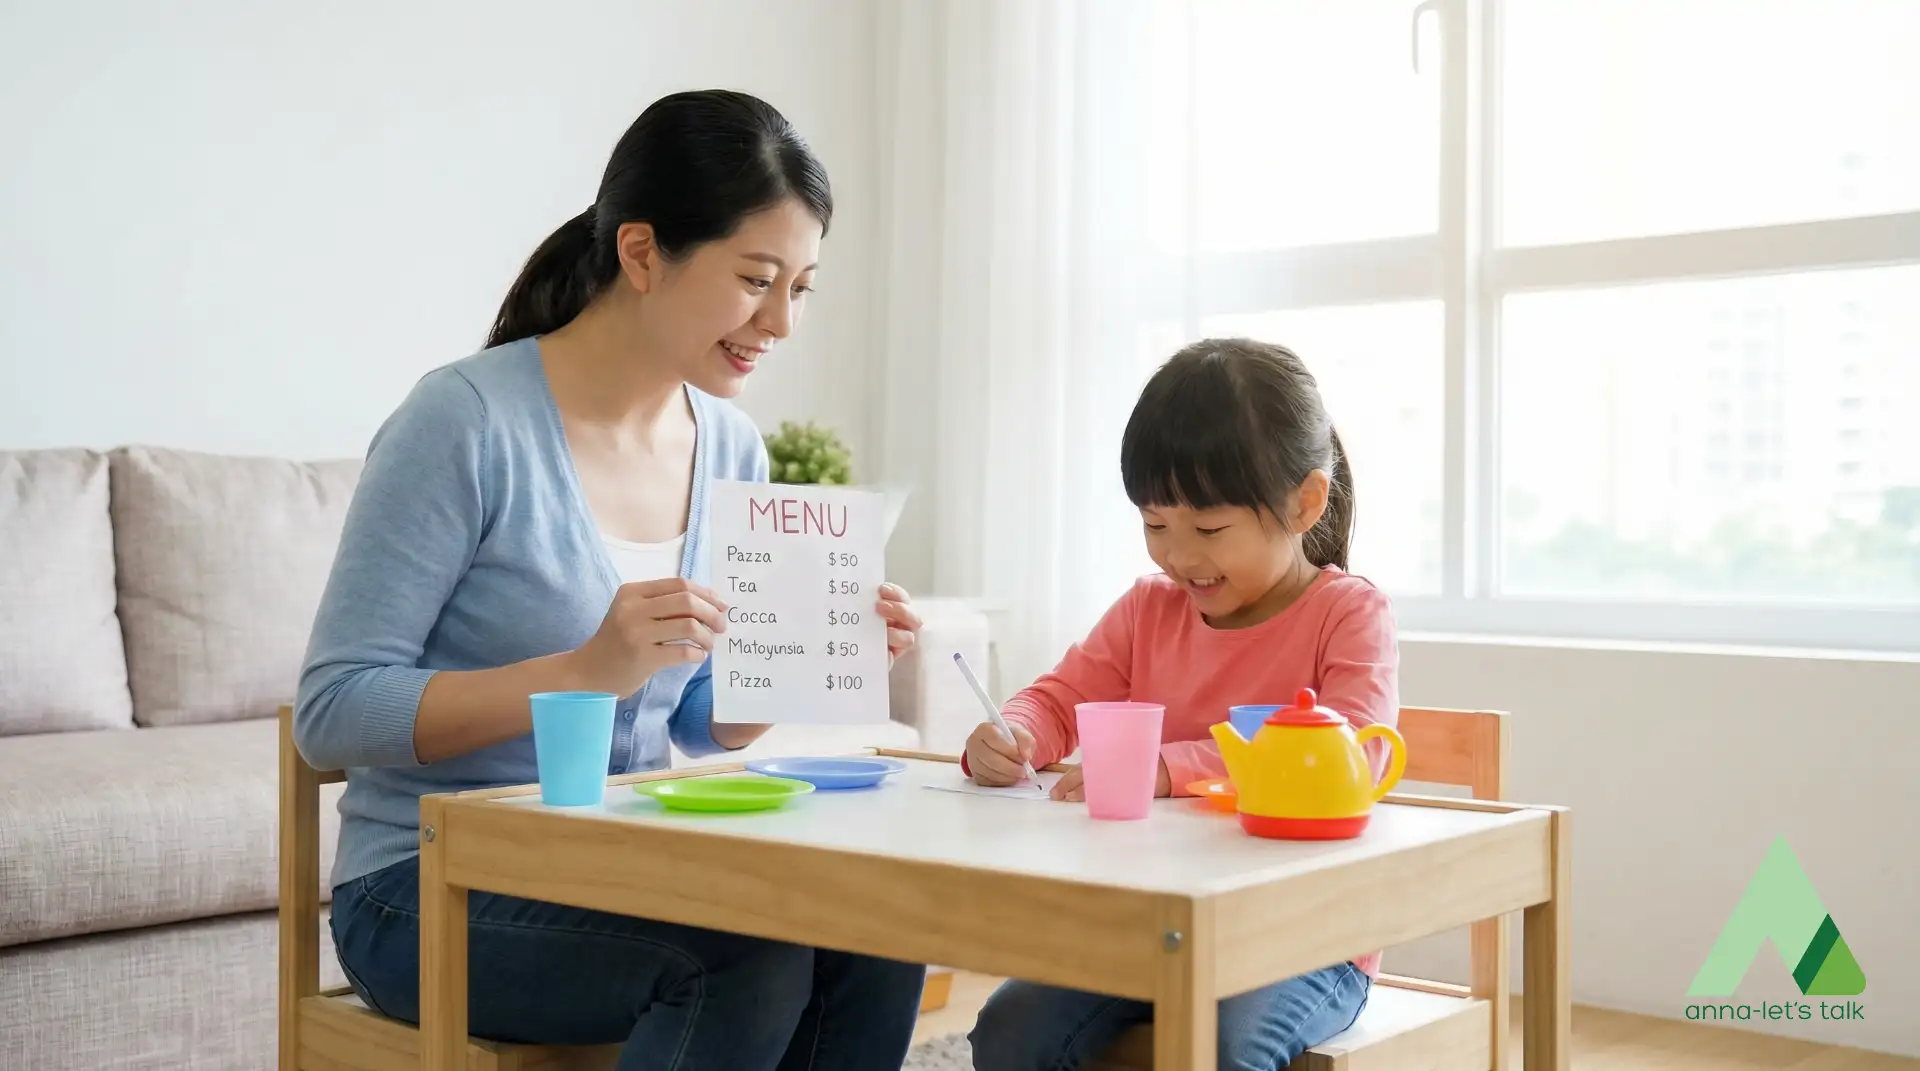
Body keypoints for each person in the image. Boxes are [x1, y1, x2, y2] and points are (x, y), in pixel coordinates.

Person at [294, 89, 928, 1071]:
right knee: (743, 962)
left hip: (627, 862)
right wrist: (586, 669)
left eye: (800, 288)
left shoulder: (731, 446)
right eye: (756, 278)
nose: (780, 322)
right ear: (641, 253)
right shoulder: (463, 424)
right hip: (426, 889)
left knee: (875, 934)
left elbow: (693, 721)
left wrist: (809, 657)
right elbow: (332, 713)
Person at [959, 338, 1397, 1070]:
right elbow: (1061, 697)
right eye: (1156, 525)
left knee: (1224, 1047)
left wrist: (1169, 768)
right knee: (1011, 1030)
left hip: (1306, 938)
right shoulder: (1147, 610)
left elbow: (1355, 752)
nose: (1178, 555)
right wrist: (1016, 732)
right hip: (1152, 924)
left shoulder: (1348, 614)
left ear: (1304, 502)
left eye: (1209, 529)